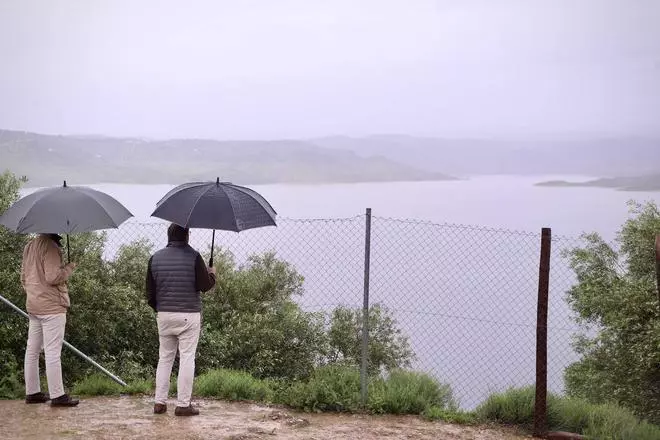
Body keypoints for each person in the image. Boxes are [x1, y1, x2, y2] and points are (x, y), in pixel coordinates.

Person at [146, 223, 216, 416]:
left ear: (169, 236)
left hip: (164, 316)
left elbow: (150, 294)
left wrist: (161, 310)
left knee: (165, 358)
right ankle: (183, 405)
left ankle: (159, 403)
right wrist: (212, 275)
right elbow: (204, 286)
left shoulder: (155, 258)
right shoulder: (194, 256)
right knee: (186, 358)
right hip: (188, 315)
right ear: (186, 236)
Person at [21, 233, 79, 407]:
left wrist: (34, 294)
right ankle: (58, 395)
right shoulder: (51, 247)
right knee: (53, 351)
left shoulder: (29, 246)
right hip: (52, 307)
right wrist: (68, 268)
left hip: (34, 305)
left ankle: (33, 393)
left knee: (32, 350)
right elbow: (53, 277)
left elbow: (23, 278)